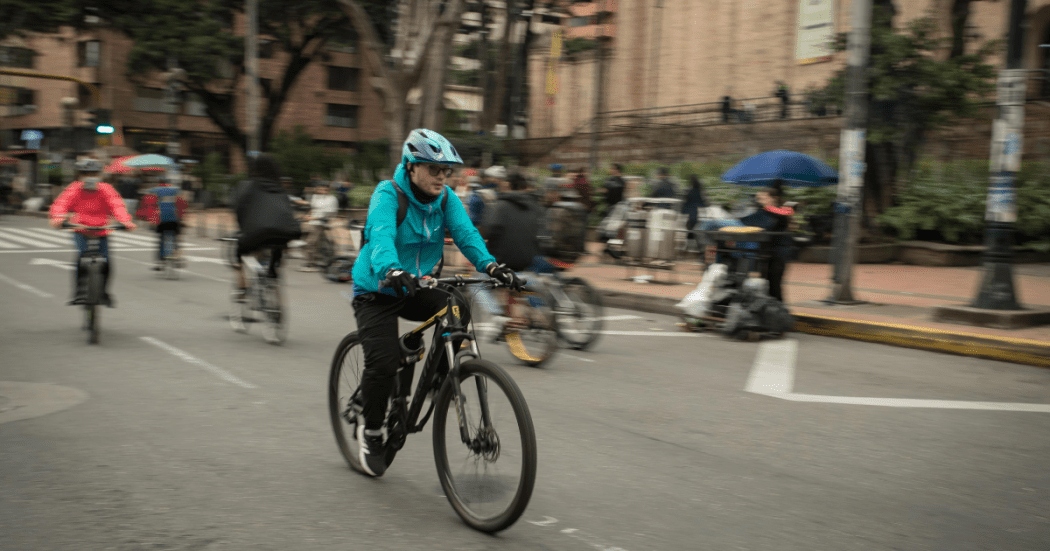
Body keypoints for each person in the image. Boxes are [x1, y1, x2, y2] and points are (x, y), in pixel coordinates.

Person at [350, 128, 523, 477]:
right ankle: (371, 433)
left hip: (415, 286)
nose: (442, 177)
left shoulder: (445, 199)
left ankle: (442, 378)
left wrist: (492, 266)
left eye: (446, 171)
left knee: (457, 304)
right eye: (433, 169)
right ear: (411, 166)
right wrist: (391, 269)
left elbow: (466, 234)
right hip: (378, 289)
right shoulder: (388, 194)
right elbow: (381, 236)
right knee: (382, 364)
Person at [48, 158, 137, 306]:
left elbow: (117, 205)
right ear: (80, 175)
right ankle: (78, 293)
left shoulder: (106, 189)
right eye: (86, 173)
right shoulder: (74, 188)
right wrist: (58, 218)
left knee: (107, 263)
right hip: (81, 229)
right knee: (81, 259)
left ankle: (104, 293)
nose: (90, 177)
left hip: (102, 230)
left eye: (94, 173)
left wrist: (126, 221)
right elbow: (61, 204)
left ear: (99, 175)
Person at [695, 185, 794, 301]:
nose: (760, 200)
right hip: (762, 244)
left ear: (773, 198)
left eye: (763, 197)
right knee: (769, 282)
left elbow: (786, 212)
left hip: (777, 251)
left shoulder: (778, 211)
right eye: (760, 198)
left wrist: (765, 207)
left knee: (774, 282)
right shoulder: (765, 211)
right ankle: (772, 305)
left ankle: (776, 305)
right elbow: (749, 220)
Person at [230, 154, 302, 299]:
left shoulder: (247, 185)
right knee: (277, 247)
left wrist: (243, 228)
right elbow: (288, 210)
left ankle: (242, 287)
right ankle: (273, 280)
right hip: (285, 232)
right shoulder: (280, 188)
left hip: (257, 232)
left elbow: (239, 209)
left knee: (239, 252)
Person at [140, 177, 188, 270]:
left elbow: (149, 205)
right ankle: (178, 257)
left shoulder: (154, 190)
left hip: (161, 220)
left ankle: (161, 263)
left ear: (159, 183)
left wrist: (150, 219)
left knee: (161, 240)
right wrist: (182, 219)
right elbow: (183, 204)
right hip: (174, 220)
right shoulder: (176, 190)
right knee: (176, 238)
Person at [299, 182, 339, 272]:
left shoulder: (332, 199)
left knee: (310, 243)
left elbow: (328, 214)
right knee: (305, 242)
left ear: (328, 190)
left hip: (321, 223)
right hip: (312, 223)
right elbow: (313, 208)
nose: (322, 191)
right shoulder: (315, 197)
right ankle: (315, 261)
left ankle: (311, 264)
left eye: (324, 190)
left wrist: (312, 218)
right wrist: (307, 215)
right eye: (320, 189)